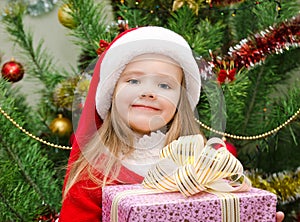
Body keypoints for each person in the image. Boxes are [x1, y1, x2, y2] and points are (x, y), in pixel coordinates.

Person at [58, 26, 284, 222]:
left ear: (180, 102)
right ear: (111, 93)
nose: (148, 92)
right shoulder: (94, 174)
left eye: (164, 85)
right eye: (134, 80)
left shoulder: (206, 162)